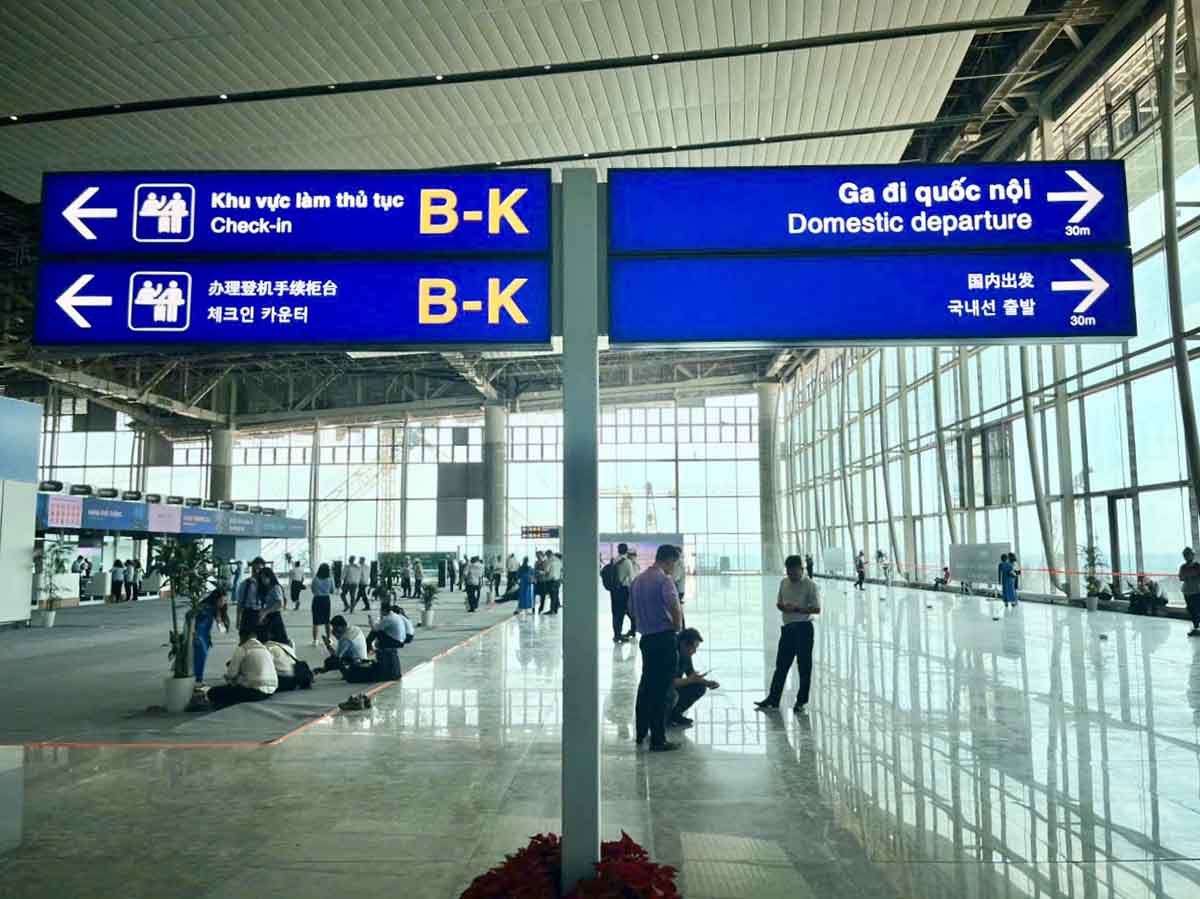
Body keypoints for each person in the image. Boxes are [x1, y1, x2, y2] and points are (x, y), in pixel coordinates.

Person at [630, 544, 684, 751]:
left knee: (646, 687)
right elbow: (675, 609)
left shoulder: (638, 580)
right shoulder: (664, 580)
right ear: (669, 560)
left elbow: (631, 611)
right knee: (662, 690)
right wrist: (676, 628)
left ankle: (641, 731)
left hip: (647, 640)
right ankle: (658, 739)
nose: (675, 567)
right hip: (664, 639)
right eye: (675, 562)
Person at [756, 554, 821, 714]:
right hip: (788, 629)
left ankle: (801, 700)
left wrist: (797, 609)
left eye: (794, 572)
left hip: (804, 628)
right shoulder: (783, 582)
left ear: (801, 569)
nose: (791, 575)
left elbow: (817, 609)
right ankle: (773, 698)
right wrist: (783, 607)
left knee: (804, 666)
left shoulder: (810, 585)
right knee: (781, 665)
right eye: (789, 572)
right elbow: (779, 602)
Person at [208, 625, 278, 709]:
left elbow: (231, 675)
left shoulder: (243, 649)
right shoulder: (265, 649)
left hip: (254, 692)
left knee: (212, 692)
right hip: (271, 691)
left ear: (242, 637)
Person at [668, 628, 719, 728]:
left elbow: (690, 674)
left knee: (699, 687)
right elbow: (669, 682)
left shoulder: (685, 654)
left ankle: (675, 714)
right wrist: (690, 680)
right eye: (693, 648)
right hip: (662, 690)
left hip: (674, 686)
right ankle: (664, 715)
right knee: (672, 693)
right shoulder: (670, 654)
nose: (694, 652)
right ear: (683, 644)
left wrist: (707, 683)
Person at [192, 587, 230, 682]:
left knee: (201, 658)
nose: (224, 603)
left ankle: (198, 679)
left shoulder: (214, 608)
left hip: (205, 635)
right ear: (216, 599)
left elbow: (221, 628)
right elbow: (193, 621)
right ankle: (197, 680)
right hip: (198, 635)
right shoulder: (203, 607)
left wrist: (220, 621)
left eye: (225, 600)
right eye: (222, 600)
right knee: (200, 657)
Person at [234, 556, 269, 628]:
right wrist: (238, 620)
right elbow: (240, 603)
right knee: (247, 638)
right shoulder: (245, 583)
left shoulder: (267, 584)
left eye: (259, 569)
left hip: (262, 614)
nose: (257, 571)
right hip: (248, 613)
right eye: (255, 568)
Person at [615, 545, 639, 641]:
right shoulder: (627, 562)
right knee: (629, 611)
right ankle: (632, 630)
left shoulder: (615, 560)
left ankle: (617, 634)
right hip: (624, 590)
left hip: (614, 590)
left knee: (617, 613)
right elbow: (632, 579)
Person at [310, 563, 335, 646]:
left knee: (315, 621)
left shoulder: (316, 579)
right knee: (327, 620)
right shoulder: (330, 578)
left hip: (317, 599)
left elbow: (313, 590)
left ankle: (315, 640)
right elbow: (332, 590)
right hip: (326, 600)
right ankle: (328, 638)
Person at [1181, 548, 1200, 637]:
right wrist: (1192, 575)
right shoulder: (1183, 567)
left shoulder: (1197, 565)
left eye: (1189, 555)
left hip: (1196, 590)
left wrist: (1189, 575)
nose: (1187, 557)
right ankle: (1196, 627)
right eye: (1186, 555)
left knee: (1197, 609)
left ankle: (1197, 627)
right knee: (1191, 610)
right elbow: (1181, 577)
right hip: (1187, 591)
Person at [672, 547, 686, 626]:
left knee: (677, 610)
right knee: (678, 610)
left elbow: (675, 577)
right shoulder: (678, 562)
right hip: (678, 590)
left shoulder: (679, 563)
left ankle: (681, 627)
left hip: (678, 590)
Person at [546, 550, 563, 615]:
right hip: (557, 580)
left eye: (547, 555)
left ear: (549, 554)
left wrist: (543, 573)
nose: (547, 557)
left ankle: (551, 610)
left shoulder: (550, 560)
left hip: (551, 581)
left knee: (552, 596)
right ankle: (555, 610)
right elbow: (561, 571)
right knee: (556, 595)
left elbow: (547, 571)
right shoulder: (559, 561)